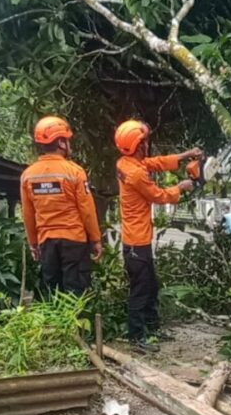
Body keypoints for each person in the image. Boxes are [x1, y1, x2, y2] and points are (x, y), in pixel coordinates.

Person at [114, 119, 202, 352]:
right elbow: (159, 196)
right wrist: (181, 188)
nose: (147, 145)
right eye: (144, 141)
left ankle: (152, 328)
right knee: (141, 291)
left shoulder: (126, 162)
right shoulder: (135, 174)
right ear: (137, 144)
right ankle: (136, 338)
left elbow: (154, 163)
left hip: (138, 240)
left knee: (151, 285)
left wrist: (185, 155)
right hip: (136, 242)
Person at [20, 116, 103, 297]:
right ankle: (76, 325)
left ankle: (56, 326)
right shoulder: (74, 172)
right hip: (74, 241)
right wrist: (96, 239)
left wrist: (33, 244)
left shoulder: (28, 175)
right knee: (76, 293)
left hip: (46, 242)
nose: (69, 144)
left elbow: (28, 214)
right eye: (67, 139)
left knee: (52, 293)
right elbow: (87, 210)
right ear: (60, 142)